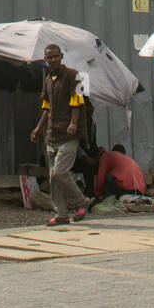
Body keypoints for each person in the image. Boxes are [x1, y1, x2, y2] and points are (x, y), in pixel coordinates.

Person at [31, 43, 91, 225]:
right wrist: (38, 128)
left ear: (62, 56)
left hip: (69, 135)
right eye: (49, 57)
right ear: (45, 59)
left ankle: (81, 201)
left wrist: (73, 123)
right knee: (53, 177)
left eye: (55, 56)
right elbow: (46, 108)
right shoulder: (48, 79)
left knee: (59, 172)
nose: (52, 60)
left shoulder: (74, 76)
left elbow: (78, 103)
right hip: (51, 135)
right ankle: (61, 214)